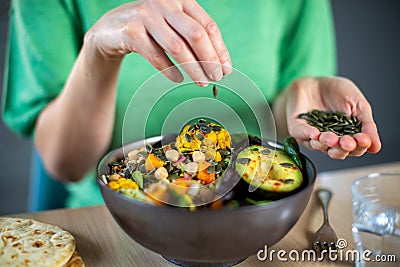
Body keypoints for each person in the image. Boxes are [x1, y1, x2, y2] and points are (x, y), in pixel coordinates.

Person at [2, 0, 381, 208]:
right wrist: (98, 48)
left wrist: (300, 99)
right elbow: (64, 163)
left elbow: (279, 128)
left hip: (251, 213)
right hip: (117, 219)